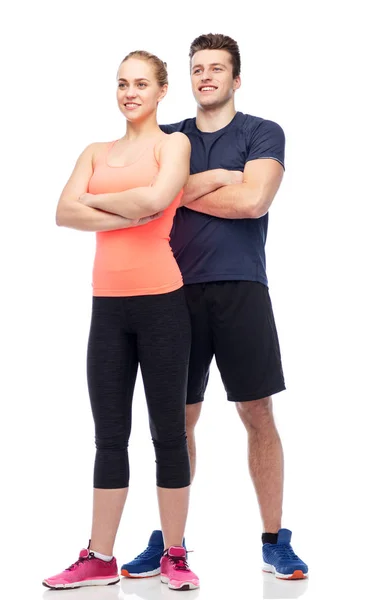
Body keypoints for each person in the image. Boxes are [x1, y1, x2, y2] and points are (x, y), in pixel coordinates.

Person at [121, 34, 309, 581]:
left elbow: (254, 201)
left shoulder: (261, 131)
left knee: (258, 413)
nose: (206, 76)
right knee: (176, 421)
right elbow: (148, 200)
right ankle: (169, 542)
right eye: (198, 68)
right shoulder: (170, 136)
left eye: (217, 68)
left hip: (242, 288)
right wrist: (219, 178)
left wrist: (182, 190)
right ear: (189, 78)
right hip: (172, 290)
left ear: (236, 78)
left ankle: (275, 540)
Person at [42, 50, 199, 592]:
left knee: (168, 437)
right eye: (122, 83)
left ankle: (174, 554)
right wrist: (129, 207)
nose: (129, 92)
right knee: (109, 437)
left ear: (161, 92)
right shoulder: (95, 150)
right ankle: (99, 557)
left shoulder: (173, 144)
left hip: (162, 304)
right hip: (107, 308)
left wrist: (98, 201)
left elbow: (159, 200)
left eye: (140, 84)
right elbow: (63, 212)